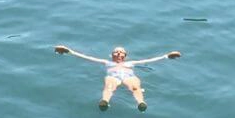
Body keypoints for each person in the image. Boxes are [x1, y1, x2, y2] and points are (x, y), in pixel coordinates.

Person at [54, 44, 182, 111]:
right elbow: (87, 57)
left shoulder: (130, 63)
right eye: (116, 52)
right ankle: (105, 101)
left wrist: (166, 56)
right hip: (113, 76)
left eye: (122, 52)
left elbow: (149, 60)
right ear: (112, 55)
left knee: (135, 87)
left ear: (125, 55)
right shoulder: (107, 62)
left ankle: (140, 102)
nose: (119, 53)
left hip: (128, 75)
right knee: (109, 87)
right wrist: (69, 51)